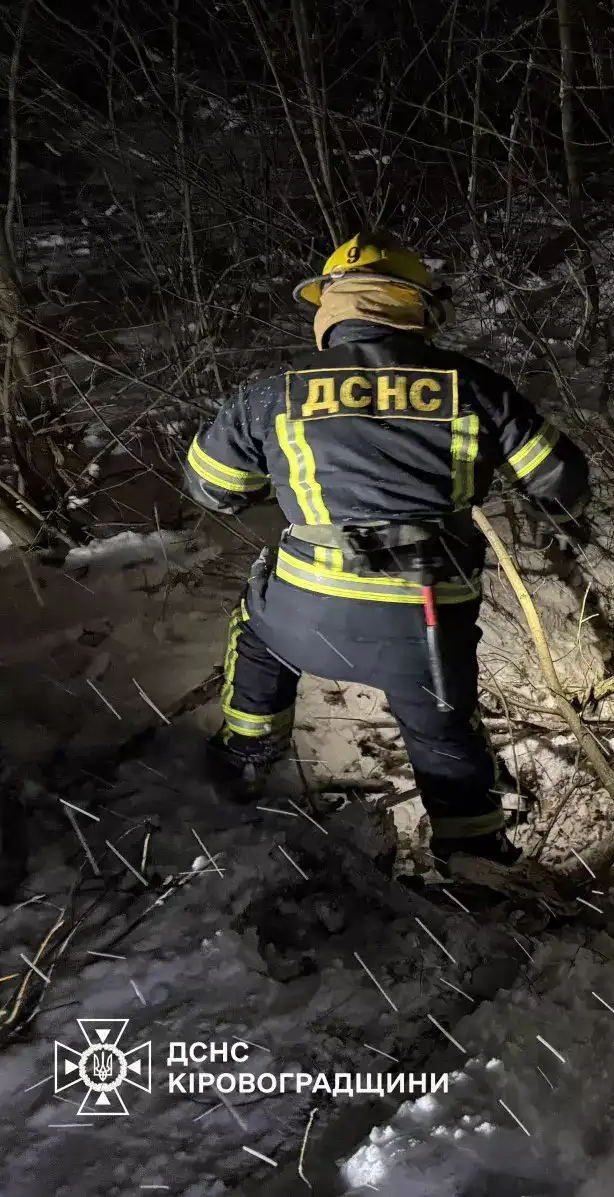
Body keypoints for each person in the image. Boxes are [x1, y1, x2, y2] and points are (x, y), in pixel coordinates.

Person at [182, 231, 589, 868]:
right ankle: (476, 859)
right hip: (421, 622)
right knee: (446, 737)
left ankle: (245, 757)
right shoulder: (470, 386)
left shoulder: (272, 393)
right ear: (417, 308)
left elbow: (213, 489)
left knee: (255, 631)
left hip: (302, 618)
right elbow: (561, 483)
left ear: (330, 311)